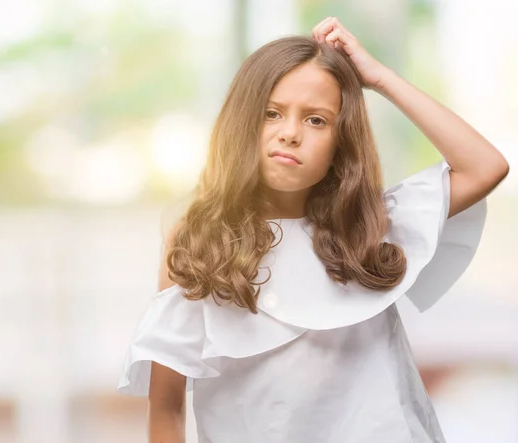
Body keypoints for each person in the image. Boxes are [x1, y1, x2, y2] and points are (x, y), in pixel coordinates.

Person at [117, 17, 509, 443]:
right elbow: (165, 408)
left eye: (316, 120)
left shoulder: (372, 225)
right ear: (242, 121)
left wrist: (378, 79)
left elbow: (485, 166)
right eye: (272, 113)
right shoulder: (200, 241)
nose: (290, 133)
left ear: (341, 142)